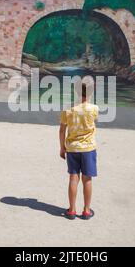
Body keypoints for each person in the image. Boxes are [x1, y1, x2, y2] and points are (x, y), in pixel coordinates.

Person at [59, 77, 99, 220]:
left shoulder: (68, 110)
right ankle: (87, 211)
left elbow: (62, 130)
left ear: (76, 92)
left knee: (73, 178)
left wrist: (62, 148)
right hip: (88, 149)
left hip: (72, 149)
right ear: (91, 93)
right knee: (87, 180)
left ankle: (72, 210)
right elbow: (93, 122)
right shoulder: (94, 109)